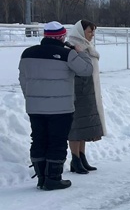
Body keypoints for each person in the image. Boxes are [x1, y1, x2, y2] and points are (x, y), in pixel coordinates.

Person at [18, 21, 93, 190]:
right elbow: (86, 70)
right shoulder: (67, 54)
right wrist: (81, 53)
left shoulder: (27, 54)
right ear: (61, 37)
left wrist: (29, 97)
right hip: (61, 109)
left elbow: (23, 79)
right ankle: (53, 178)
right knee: (57, 142)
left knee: (38, 140)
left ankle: (42, 177)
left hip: (34, 107)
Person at [66, 20, 106, 174]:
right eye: (90, 31)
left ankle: (81, 157)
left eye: (93, 32)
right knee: (75, 127)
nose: (92, 35)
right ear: (81, 32)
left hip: (88, 91)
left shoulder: (86, 47)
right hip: (77, 92)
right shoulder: (72, 46)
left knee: (84, 126)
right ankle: (75, 159)